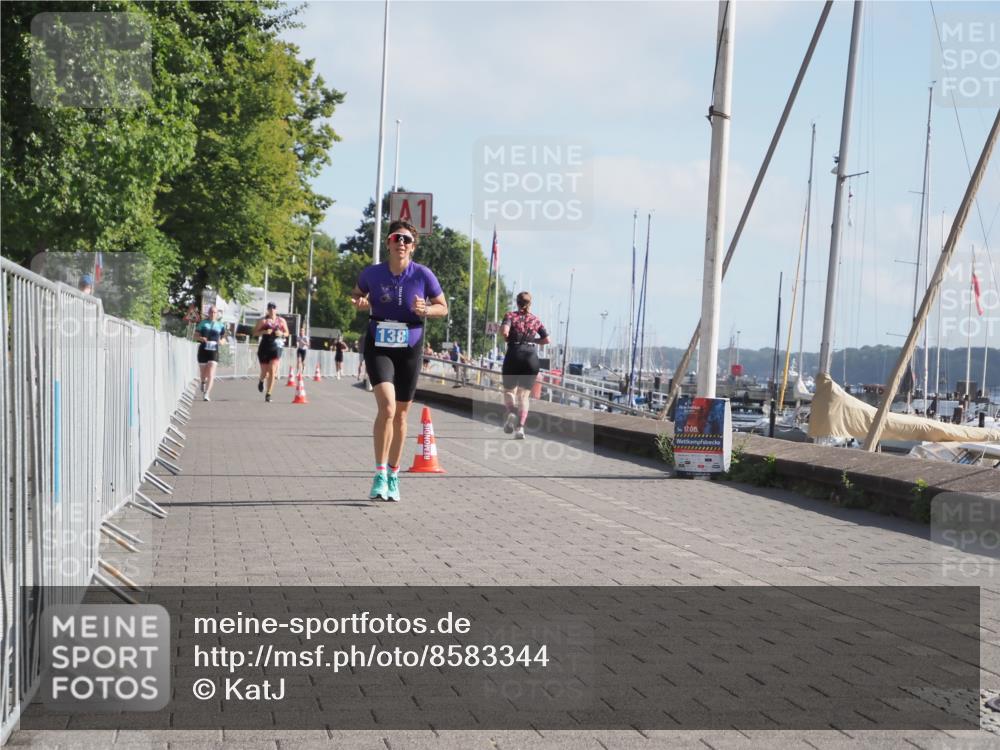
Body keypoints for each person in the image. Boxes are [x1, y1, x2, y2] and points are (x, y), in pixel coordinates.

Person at [350, 220, 447, 501]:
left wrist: (427, 309)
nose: (401, 243)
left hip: (410, 347)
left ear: (413, 247)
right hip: (379, 343)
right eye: (397, 238)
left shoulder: (423, 275)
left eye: (406, 240)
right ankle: (380, 473)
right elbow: (357, 294)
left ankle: (393, 474)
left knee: (402, 415)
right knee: (388, 408)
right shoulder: (373, 273)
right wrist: (360, 302)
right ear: (389, 243)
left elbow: (443, 307)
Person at [500, 292, 550, 439]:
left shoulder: (510, 316)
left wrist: (506, 337)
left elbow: (504, 331)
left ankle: (512, 414)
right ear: (530, 303)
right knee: (524, 396)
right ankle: (520, 428)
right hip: (531, 358)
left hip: (514, 354)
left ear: (517, 302)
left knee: (509, 391)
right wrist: (534, 341)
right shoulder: (535, 320)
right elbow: (547, 339)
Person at [252, 302, 288, 402]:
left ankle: (268, 394)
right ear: (267, 309)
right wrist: (263, 332)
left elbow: (287, 333)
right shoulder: (263, 321)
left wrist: (281, 333)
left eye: (274, 308)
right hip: (264, 348)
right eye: (270, 308)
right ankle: (261, 380)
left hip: (276, 348)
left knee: (272, 370)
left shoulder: (281, 321)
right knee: (265, 372)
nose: (272, 310)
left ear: (276, 309)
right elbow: (254, 333)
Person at [195, 306, 227, 401]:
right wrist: (201, 338)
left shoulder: (221, 325)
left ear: (217, 314)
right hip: (203, 350)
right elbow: (195, 335)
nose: (213, 314)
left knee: (211, 372)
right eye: (211, 312)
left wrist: (221, 342)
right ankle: (203, 382)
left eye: (215, 312)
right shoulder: (203, 323)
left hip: (214, 351)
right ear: (208, 313)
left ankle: (207, 394)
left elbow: (224, 338)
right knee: (203, 373)